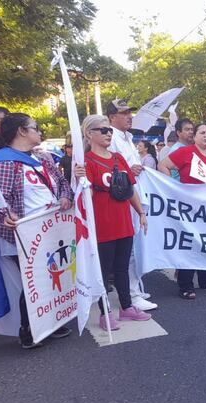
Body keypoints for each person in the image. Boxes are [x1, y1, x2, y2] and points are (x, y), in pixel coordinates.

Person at [0, 113, 74, 348]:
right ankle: (29, 329)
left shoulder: (42, 158)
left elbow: (62, 183)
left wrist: (64, 196)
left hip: (52, 230)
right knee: (34, 279)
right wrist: (5, 215)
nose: (40, 131)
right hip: (23, 235)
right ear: (22, 131)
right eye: (36, 127)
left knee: (53, 273)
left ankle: (50, 320)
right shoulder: (1, 162)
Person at [74, 115, 151, 330]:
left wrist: (140, 212)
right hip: (102, 224)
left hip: (123, 221)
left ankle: (126, 307)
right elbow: (81, 195)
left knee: (122, 267)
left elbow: (130, 189)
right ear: (89, 134)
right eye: (103, 130)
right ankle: (105, 312)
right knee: (103, 271)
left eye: (109, 130)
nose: (108, 134)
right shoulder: (85, 162)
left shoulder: (118, 158)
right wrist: (77, 176)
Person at [159, 123, 206, 299]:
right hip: (189, 207)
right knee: (190, 244)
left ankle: (205, 279)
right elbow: (163, 166)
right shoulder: (185, 152)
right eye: (202, 133)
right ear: (195, 136)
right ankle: (186, 284)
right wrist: (174, 188)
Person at [106, 99, 156, 311]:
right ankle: (132, 295)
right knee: (130, 250)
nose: (129, 116)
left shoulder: (128, 136)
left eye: (129, 112)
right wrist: (128, 170)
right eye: (123, 113)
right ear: (111, 117)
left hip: (134, 194)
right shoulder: (111, 136)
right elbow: (112, 165)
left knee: (136, 245)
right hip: (122, 196)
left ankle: (135, 288)